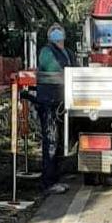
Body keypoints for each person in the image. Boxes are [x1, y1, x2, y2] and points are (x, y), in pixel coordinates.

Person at [35, 23, 73, 195]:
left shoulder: (68, 53)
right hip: (49, 102)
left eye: (59, 30)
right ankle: (48, 182)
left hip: (62, 102)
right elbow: (55, 70)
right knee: (51, 141)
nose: (57, 33)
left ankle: (56, 179)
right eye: (53, 31)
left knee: (58, 143)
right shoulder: (46, 52)